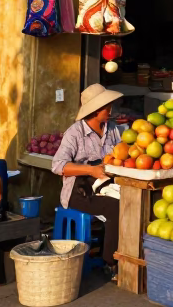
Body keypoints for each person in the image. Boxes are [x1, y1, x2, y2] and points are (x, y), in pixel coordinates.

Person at [51, 84, 125, 269]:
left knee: (131, 203)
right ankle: (111, 261)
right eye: (106, 106)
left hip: (106, 185)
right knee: (115, 207)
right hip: (79, 191)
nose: (110, 109)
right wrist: (90, 170)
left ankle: (124, 252)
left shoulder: (113, 130)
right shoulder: (74, 133)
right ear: (95, 110)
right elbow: (58, 165)